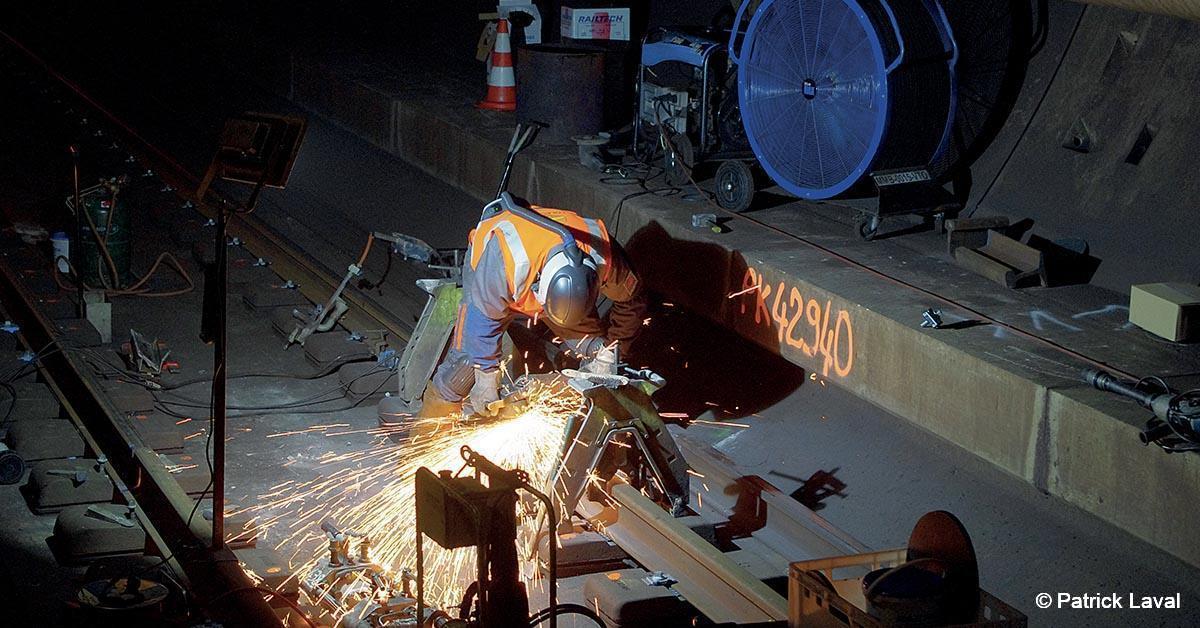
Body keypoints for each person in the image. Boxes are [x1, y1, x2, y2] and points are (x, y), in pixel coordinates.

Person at [422, 194, 646, 417]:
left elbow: (632, 302)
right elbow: (483, 323)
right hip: (488, 272)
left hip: (546, 279)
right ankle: (432, 424)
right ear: (539, 286)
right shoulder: (505, 260)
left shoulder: (605, 256)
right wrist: (486, 378)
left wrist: (611, 351)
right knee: (466, 362)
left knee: (592, 348)